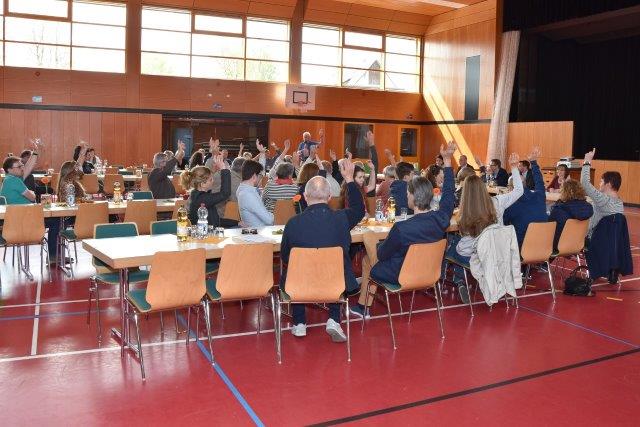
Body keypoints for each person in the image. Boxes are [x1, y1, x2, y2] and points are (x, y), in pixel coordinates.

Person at [353, 143, 457, 316]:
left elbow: (382, 256)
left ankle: (363, 308)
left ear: (413, 196)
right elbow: (448, 194)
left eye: (408, 193)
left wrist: (373, 243)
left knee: (368, 254)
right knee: (369, 254)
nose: (406, 195)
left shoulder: (401, 229)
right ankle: (363, 305)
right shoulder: (442, 219)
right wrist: (447, 161)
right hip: (429, 272)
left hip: (401, 274)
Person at [280, 158, 364, 341]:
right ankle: (334, 319)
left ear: (305, 197)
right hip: (334, 281)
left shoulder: (293, 223)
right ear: (329, 197)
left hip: (301, 282)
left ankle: (299, 323)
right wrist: (349, 180)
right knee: (336, 267)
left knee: (295, 268)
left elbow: (286, 257)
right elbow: (359, 209)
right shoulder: (342, 219)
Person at [447, 152, 523, 302]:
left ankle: (459, 281)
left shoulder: (464, 212)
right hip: (496, 253)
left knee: (452, 245)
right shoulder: (498, 202)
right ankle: (462, 281)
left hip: (475, 255)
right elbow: (519, 191)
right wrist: (514, 167)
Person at [1, 153, 62, 262]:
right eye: (19, 166)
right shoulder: (14, 181)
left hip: (13, 224)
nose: (22, 168)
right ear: (9, 170)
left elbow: (27, 168)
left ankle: (54, 256)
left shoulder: (8, 180)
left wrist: (35, 153)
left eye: (22, 165)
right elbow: (32, 196)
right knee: (56, 220)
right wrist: (31, 192)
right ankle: (53, 256)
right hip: (25, 222)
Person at [503, 147, 548, 247]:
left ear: (510, 188)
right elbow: (539, 181)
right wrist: (533, 162)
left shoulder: (511, 204)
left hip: (521, 248)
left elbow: (502, 223)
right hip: (544, 246)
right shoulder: (540, 195)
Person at [581, 148, 624, 237]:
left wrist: (587, 162)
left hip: (594, 240)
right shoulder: (619, 204)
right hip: (609, 241)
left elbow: (585, 183)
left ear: (608, 184)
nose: (599, 184)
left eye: (601, 181)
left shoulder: (603, 200)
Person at [181, 155, 232, 227]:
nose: (213, 181)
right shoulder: (201, 199)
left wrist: (237, 223)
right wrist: (224, 169)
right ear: (202, 184)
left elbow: (215, 220)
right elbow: (225, 193)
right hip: (203, 233)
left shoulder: (198, 195)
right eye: (211, 180)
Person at [548, 180, 593, 250]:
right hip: (578, 243)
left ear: (565, 192)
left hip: (558, 245)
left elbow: (549, 227)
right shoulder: (587, 208)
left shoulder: (559, 209)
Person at [236, 160, 274, 227]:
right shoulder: (248, 194)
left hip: (256, 229)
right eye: (260, 176)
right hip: (259, 231)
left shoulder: (242, 188)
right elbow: (269, 220)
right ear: (254, 176)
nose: (261, 179)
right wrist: (272, 215)